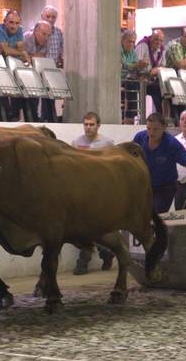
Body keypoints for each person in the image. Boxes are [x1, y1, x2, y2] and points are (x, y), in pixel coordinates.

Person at [70, 112, 115, 274]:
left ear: (98, 125)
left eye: (91, 124)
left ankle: (84, 261)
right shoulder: (76, 143)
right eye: (86, 124)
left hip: (101, 190)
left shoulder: (107, 143)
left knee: (95, 226)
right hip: (82, 190)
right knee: (84, 227)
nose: (88, 127)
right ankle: (104, 253)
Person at [133, 113, 186, 213]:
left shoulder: (171, 144)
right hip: (145, 185)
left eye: (155, 129)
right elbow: (129, 155)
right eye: (148, 128)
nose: (151, 132)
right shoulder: (140, 137)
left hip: (165, 187)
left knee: (156, 213)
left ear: (164, 127)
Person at [0, 10, 30, 121]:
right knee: (2, 97)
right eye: (11, 22)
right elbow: (6, 50)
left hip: (11, 66)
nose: (14, 26)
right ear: (4, 22)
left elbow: (20, 48)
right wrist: (20, 53)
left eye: (17, 23)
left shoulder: (19, 30)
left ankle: (14, 117)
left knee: (22, 87)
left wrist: (18, 51)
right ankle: (3, 120)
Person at [135, 29, 166, 114]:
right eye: (156, 39)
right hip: (138, 79)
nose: (158, 42)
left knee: (162, 90)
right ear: (151, 38)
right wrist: (143, 66)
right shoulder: (143, 45)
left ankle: (160, 117)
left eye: (161, 40)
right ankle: (140, 117)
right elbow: (135, 65)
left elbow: (163, 66)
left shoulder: (162, 48)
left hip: (151, 79)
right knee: (139, 92)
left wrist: (156, 70)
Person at [120, 29, 147, 123]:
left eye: (133, 42)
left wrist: (141, 66)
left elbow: (135, 67)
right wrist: (137, 65)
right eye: (129, 41)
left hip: (128, 79)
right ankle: (129, 116)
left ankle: (132, 116)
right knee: (131, 85)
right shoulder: (118, 50)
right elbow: (124, 65)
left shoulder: (133, 52)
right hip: (118, 79)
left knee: (137, 84)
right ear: (122, 41)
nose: (131, 44)